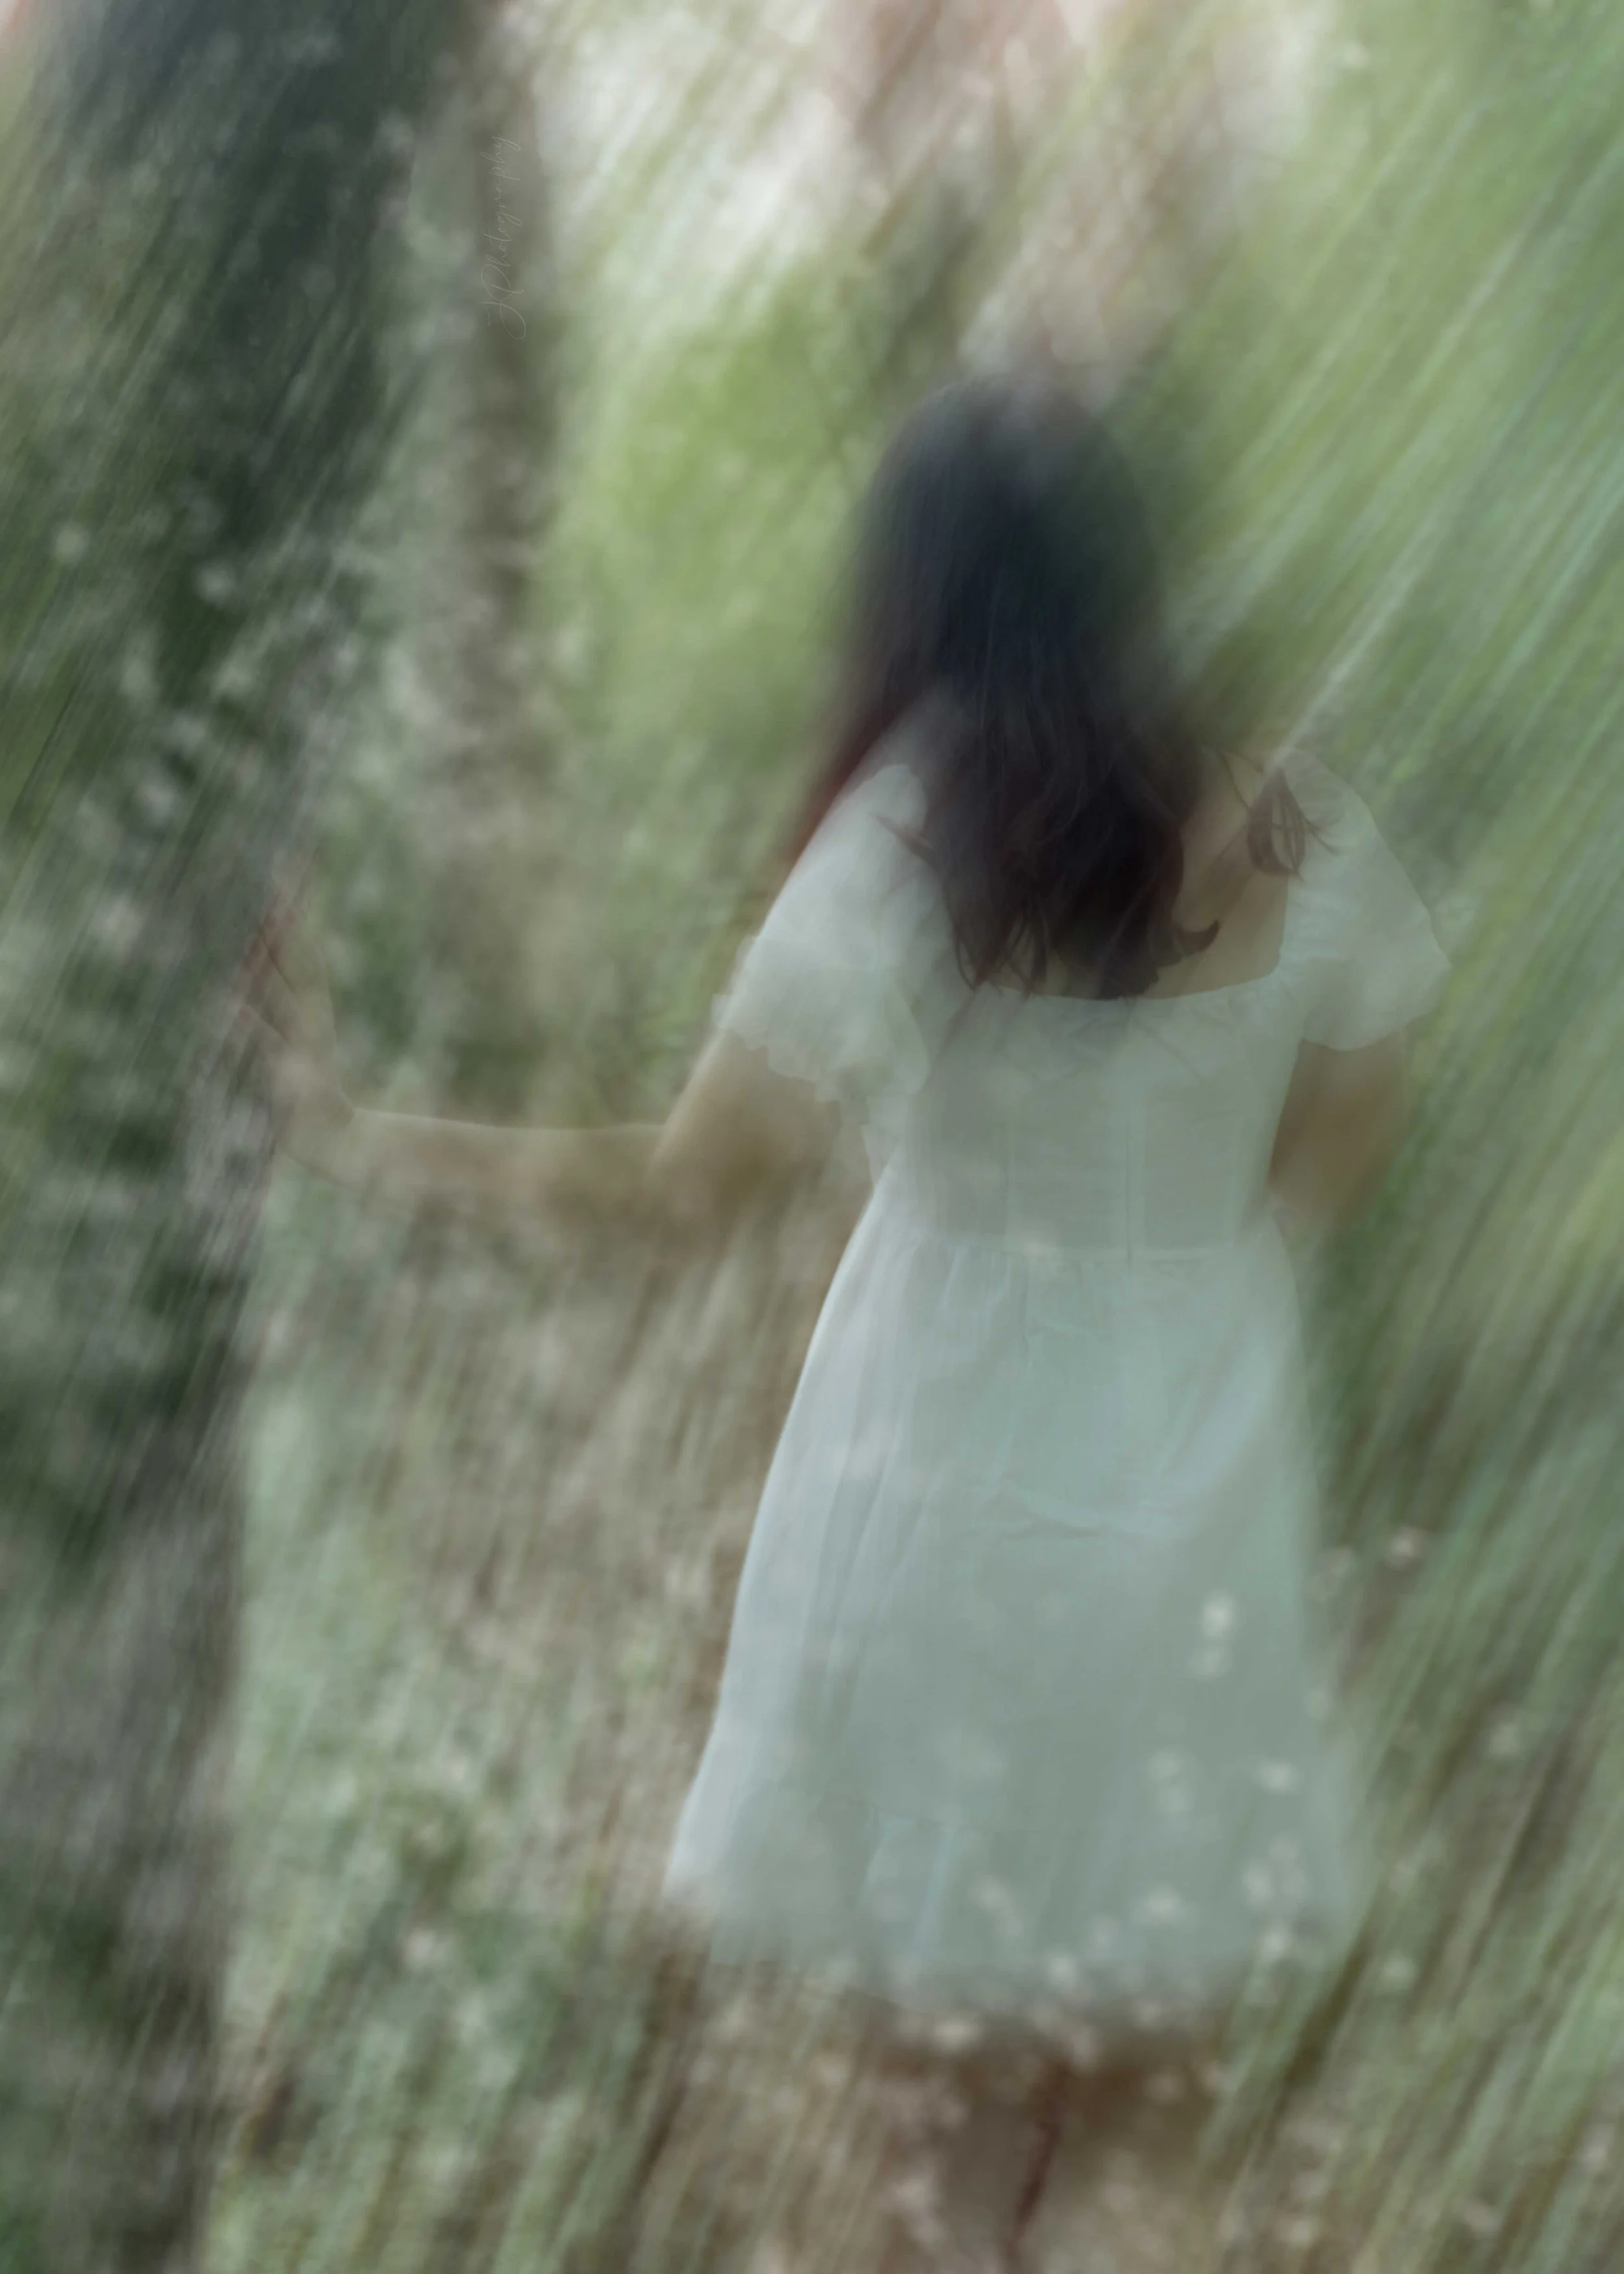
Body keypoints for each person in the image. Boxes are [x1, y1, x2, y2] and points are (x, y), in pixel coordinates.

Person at [242, 373, 1450, 2269]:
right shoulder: (1285, 817)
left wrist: (345, 1125)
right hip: (1196, 1511)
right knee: (1142, 2137)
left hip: (937, 1501)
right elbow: (1346, 1137)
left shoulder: (898, 854)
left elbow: (675, 1187)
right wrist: (1172, 1265)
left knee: (943, 2161)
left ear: (910, 598)